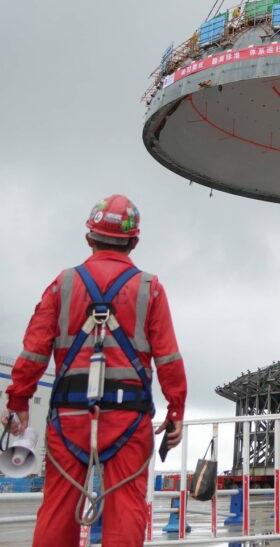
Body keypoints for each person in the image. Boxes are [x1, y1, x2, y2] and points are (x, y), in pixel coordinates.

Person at [1, 195, 187, 546]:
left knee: (58, 509)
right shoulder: (150, 289)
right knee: (126, 510)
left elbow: (34, 350)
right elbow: (168, 359)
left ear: (89, 237)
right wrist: (176, 410)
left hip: (69, 415)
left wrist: (18, 403)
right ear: (134, 241)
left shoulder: (63, 284)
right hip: (129, 419)